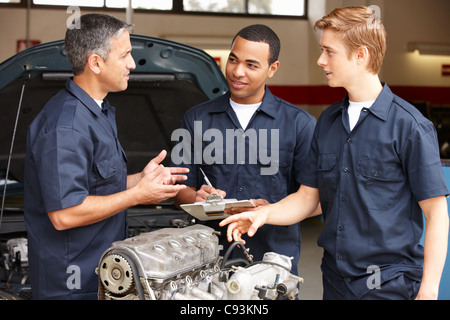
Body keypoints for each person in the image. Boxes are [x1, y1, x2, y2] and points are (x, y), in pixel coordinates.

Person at [220, 6, 449, 300]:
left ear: (360, 55)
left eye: (329, 51)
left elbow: (437, 214)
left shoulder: (410, 126)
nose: (320, 60)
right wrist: (262, 214)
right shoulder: (328, 122)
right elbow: (307, 198)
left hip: (389, 283)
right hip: (336, 280)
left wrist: (428, 291)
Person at [24, 13, 188, 300]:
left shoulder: (97, 111)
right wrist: (138, 196)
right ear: (96, 63)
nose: (132, 64)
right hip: (71, 284)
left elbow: (96, 186)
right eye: (124, 55)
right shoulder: (67, 127)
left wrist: (141, 181)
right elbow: (65, 214)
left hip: (103, 272)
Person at [172, 24, 316, 274]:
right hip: (207, 262)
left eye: (251, 65)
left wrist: (270, 211)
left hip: (273, 263)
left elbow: (314, 199)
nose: (237, 72)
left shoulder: (300, 125)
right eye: (233, 60)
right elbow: (179, 190)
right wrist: (195, 197)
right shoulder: (195, 118)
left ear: (273, 69)